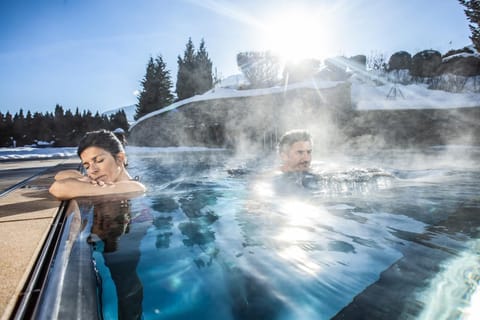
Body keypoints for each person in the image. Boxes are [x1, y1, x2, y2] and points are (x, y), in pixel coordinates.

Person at [49, 129, 146, 200]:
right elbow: (59, 176)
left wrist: (82, 182)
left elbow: (58, 188)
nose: (92, 170)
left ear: (120, 158)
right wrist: (84, 178)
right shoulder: (100, 182)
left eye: (99, 160)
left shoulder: (135, 188)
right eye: (87, 166)